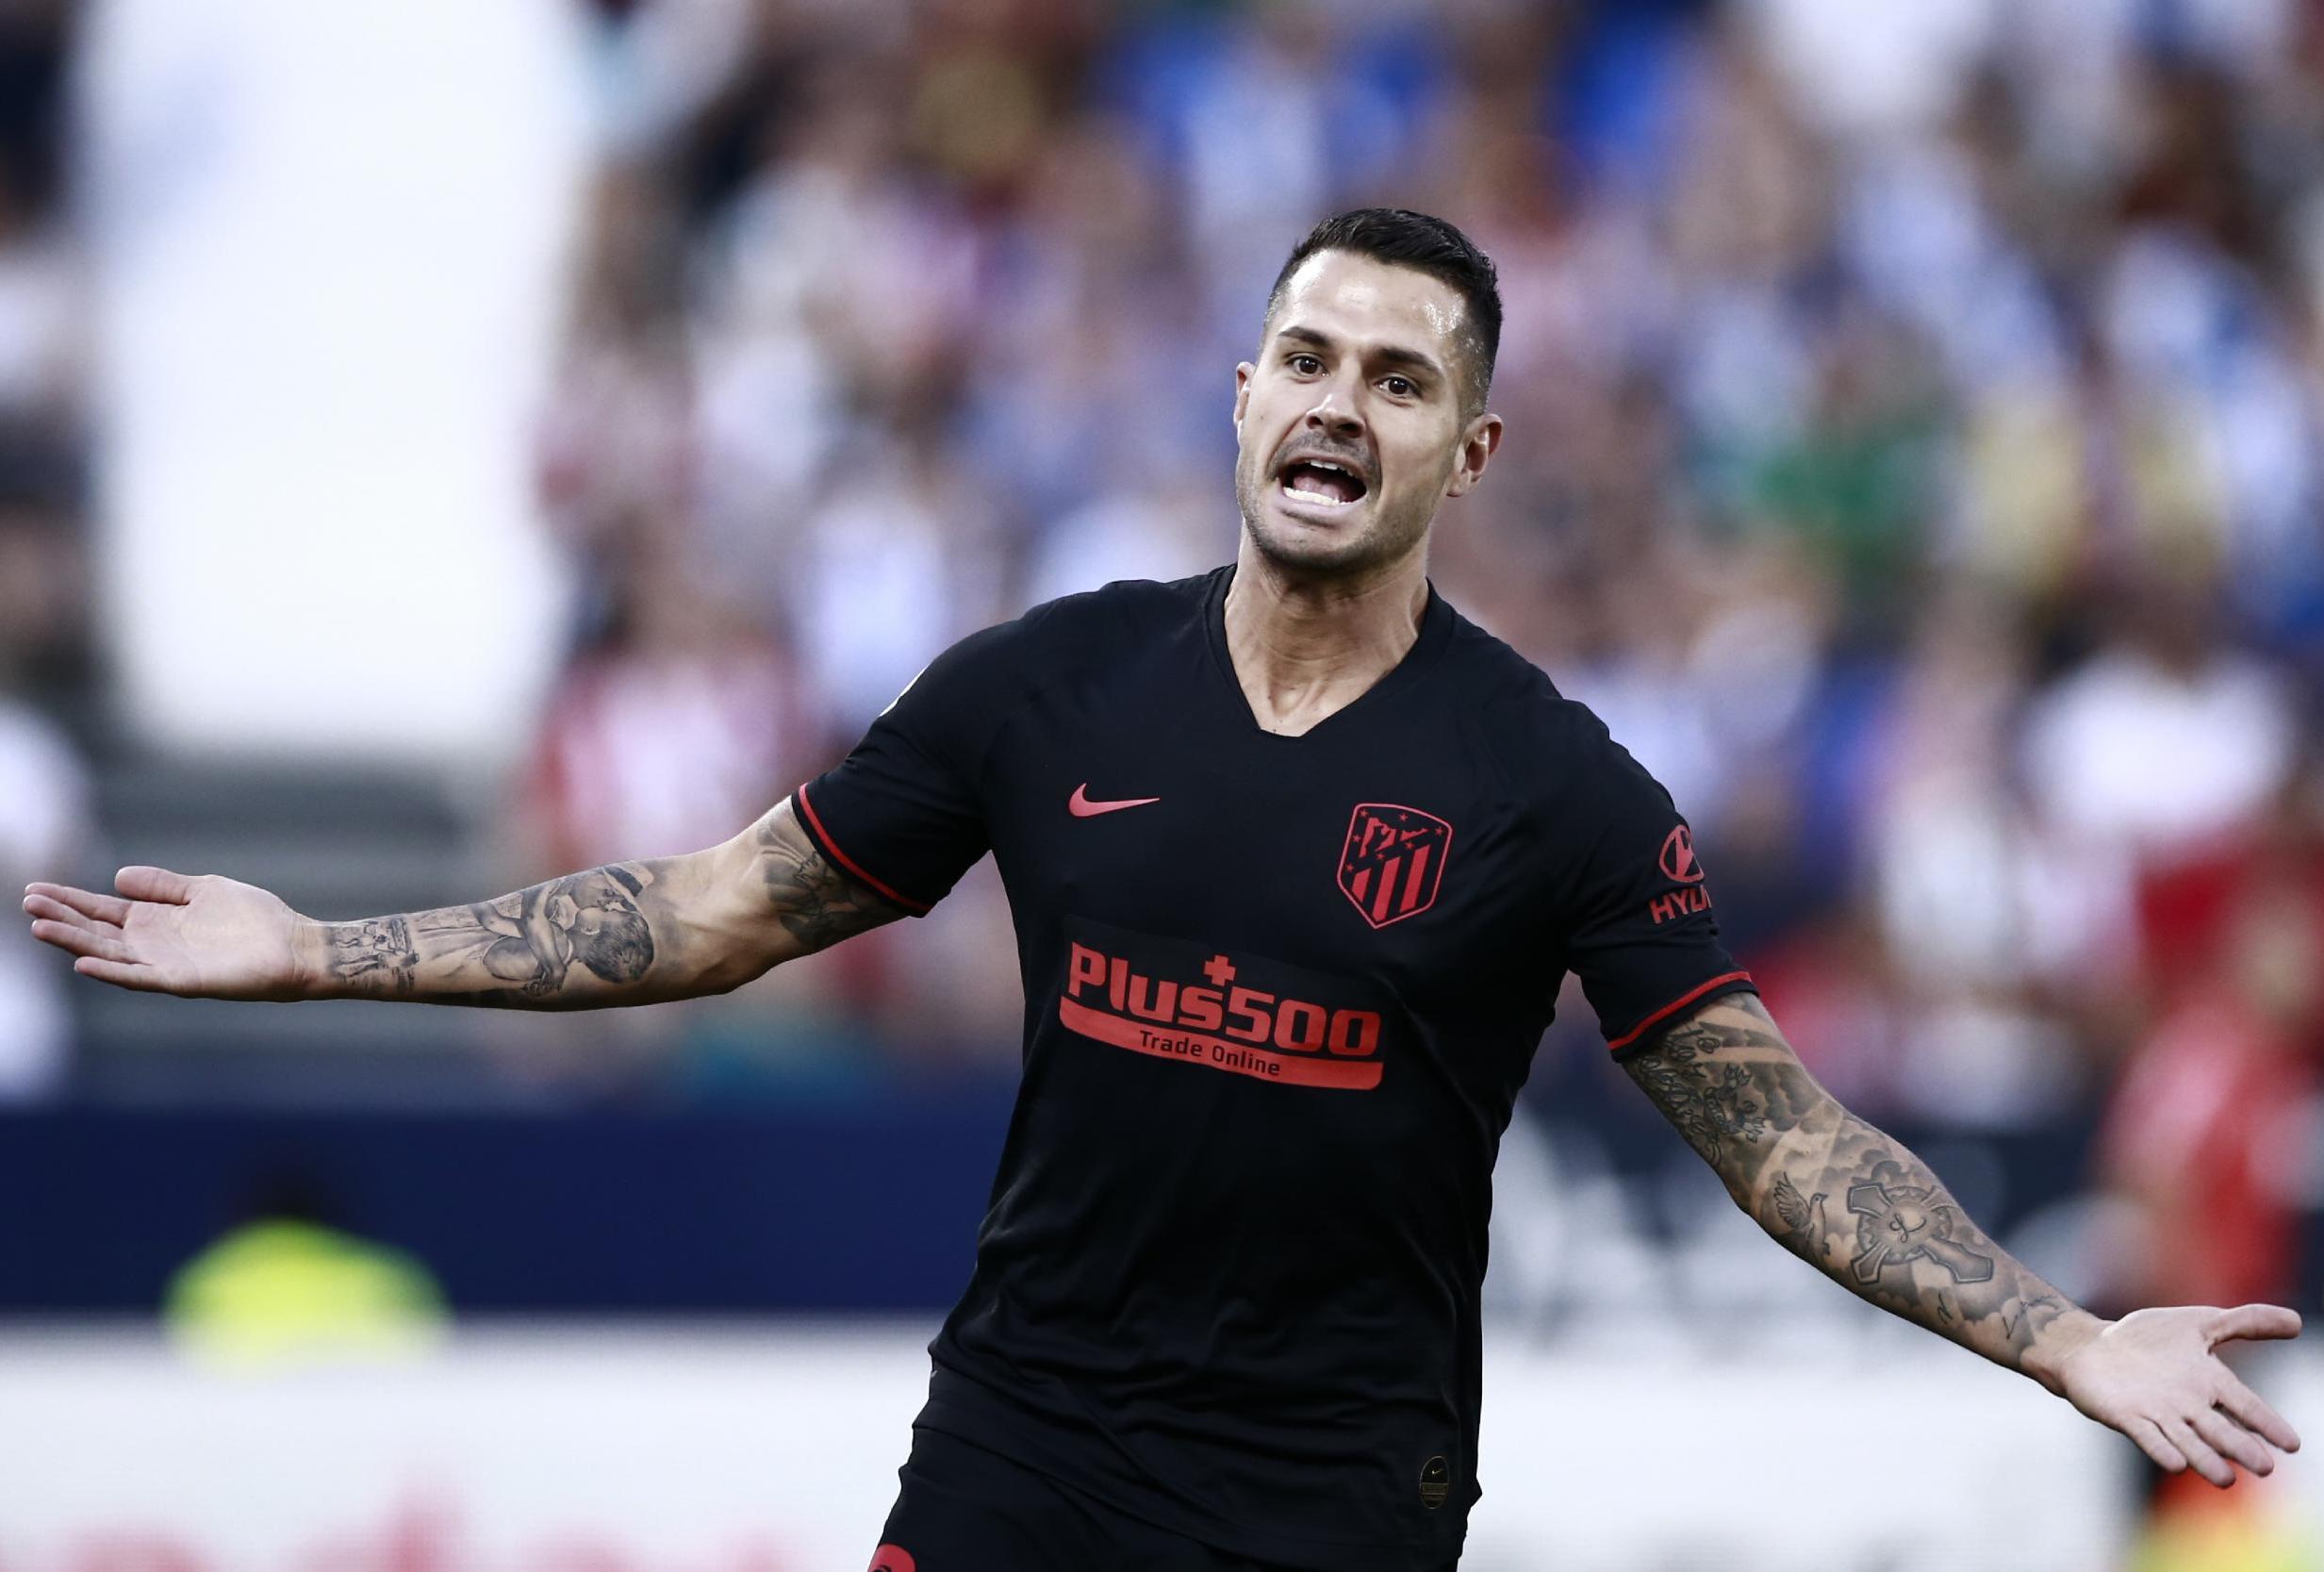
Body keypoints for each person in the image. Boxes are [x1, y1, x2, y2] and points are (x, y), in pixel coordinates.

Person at [23, 209, 2303, 1572]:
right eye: (1307, 357)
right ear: (1241, 396)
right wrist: (317, 946)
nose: (1341, 403)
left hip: (1334, 1500)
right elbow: (710, 913)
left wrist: (2065, 1334)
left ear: (1467, 449)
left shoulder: (1555, 788)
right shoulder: (1045, 688)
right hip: (1021, 1443)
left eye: (1400, 380)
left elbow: (1778, 1132)